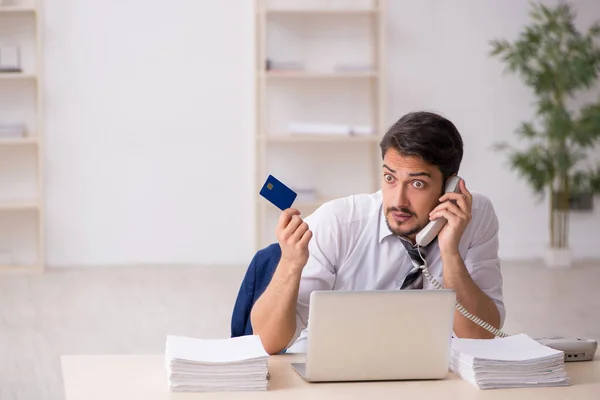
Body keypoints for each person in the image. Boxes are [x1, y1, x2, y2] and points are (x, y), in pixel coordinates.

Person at [250, 111, 505, 355]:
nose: (398, 201)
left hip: (425, 375)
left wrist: (450, 252)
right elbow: (267, 342)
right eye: (390, 178)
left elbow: (481, 337)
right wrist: (290, 265)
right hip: (328, 368)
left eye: (418, 184)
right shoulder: (339, 221)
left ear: (450, 186)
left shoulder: (474, 216)